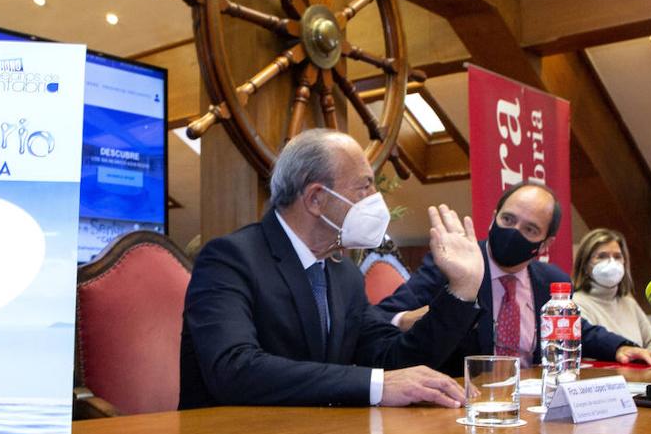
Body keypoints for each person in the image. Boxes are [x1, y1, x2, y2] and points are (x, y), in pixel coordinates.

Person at [179, 129, 486, 409]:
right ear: (316, 199)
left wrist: (462, 290)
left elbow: (393, 361)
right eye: (364, 188)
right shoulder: (230, 258)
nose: (375, 202)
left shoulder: (343, 273)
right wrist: (374, 384)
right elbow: (233, 369)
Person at [376, 182, 651, 368]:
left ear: (545, 244)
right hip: (466, 405)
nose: (514, 232)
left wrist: (620, 346)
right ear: (493, 218)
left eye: (530, 229)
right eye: (507, 219)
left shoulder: (549, 280)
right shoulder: (452, 265)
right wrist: (413, 318)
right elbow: (383, 317)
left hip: (533, 408)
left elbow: (577, 327)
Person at [572, 228, 651, 354]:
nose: (612, 262)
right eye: (602, 256)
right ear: (585, 264)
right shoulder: (576, 304)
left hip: (639, 372)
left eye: (617, 256)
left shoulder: (628, 303)